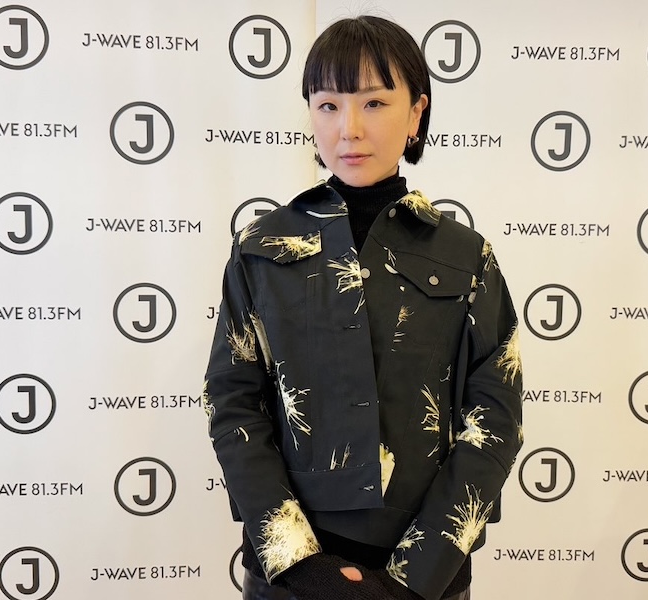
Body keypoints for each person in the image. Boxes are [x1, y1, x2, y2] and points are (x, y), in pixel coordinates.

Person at [204, 15, 523, 600]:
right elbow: (233, 405)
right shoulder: (261, 249)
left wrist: (411, 581)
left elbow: (495, 420)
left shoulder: (467, 256)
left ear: (416, 113)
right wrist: (303, 567)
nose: (348, 129)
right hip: (293, 579)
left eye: (374, 103)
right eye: (328, 105)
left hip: (427, 580)